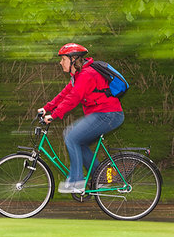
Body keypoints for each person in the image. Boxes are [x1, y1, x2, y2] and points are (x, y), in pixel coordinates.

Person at [37, 43, 124, 193]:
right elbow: (65, 94)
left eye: (63, 59)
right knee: (79, 142)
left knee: (71, 136)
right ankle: (102, 178)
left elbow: (73, 98)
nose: (60, 62)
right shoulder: (78, 76)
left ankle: (76, 181)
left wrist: (54, 115)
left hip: (108, 114)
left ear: (73, 60)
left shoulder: (86, 75)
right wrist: (47, 108)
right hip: (102, 114)